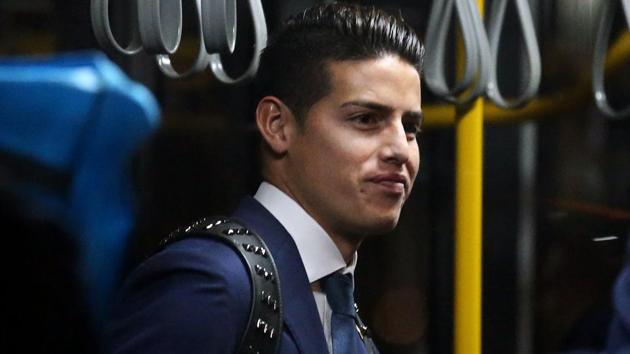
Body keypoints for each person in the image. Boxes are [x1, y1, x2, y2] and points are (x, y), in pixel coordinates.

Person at [104, 2, 425, 353]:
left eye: (410, 128)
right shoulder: (211, 285)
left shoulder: (339, 308)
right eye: (365, 119)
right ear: (277, 125)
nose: (400, 148)